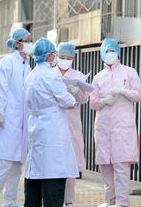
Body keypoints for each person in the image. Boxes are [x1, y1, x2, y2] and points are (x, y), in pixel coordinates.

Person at [23, 37, 79, 207]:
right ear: (48, 56)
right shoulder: (51, 76)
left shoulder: (31, 75)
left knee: (35, 176)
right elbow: (68, 101)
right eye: (54, 53)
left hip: (36, 128)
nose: (55, 56)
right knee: (53, 180)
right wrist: (72, 93)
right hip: (53, 130)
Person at [0, 28, 34, 207]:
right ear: (17, 43)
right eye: (27, 40)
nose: (30, 43)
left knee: (17, 165)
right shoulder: (7, 63)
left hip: (21, 122)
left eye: (31, 40)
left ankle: (10, 201)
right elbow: (0, 88)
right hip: (7, 120)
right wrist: (0, 110)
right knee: (3, 163)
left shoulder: (27, 66)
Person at [90, 38, 141, 207]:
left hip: (122, 128)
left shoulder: (129, 72)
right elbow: (93, 103)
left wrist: (123, 92)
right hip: (103, 127)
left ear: (118, 53)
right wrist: (105, 101)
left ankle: (122, 203)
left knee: (121, 167)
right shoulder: (98, 78)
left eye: (112, 51)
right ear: (101, 55)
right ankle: (110, 201)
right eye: (106, 52)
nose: (110, 55)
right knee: (106, 167)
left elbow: (139, 95)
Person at [53, 42, 88, 206]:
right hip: (53, 123)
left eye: (68, 57)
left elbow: (85, 99)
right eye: (62, 57)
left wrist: (78, 91)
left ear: (73, 58)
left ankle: (69, 201)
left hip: (71, 124)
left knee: (70, 164)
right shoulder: (49, 74)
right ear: (56, 56)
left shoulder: (78, 75)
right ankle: (53, 198)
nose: (65, 60)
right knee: (54, 162)